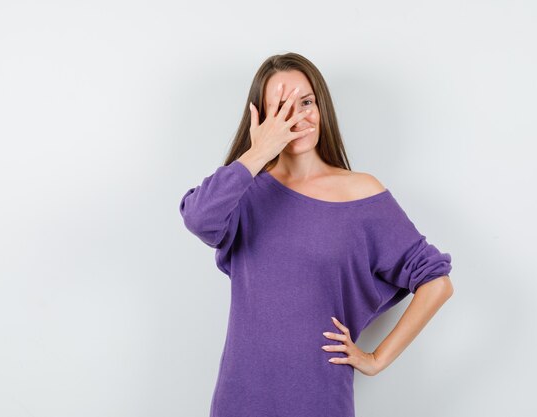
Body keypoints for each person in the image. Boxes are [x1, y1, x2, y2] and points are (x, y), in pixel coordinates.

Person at [179, 52, 454, 417]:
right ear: (260, 119)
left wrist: (375, 359)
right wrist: (259, 150)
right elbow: (198, 219)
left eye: (306, 102)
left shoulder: (362, 194)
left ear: (321, 107)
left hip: (319, 397)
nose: (297, 116)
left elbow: (436, 282)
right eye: (279, 108)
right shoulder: (245, 192)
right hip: (241, 396)